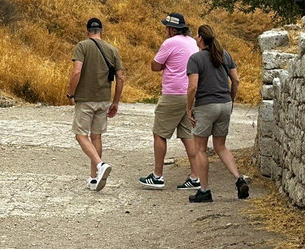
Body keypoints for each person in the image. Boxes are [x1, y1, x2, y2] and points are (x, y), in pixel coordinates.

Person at [185, 23, 249, 203]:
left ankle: (204, 190)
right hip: (225, 104)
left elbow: (193, 87)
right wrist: (231, 99)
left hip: (206, 106)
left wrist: (189, 108)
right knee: (221, 146)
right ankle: (238, 179)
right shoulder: (225, 55)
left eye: (197, 36)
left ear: (200, 38)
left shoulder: (195, 59)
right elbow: (235, 80)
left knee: (200, 149)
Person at [139, 13, 203, 191]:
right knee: (187, 136)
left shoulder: (170, 43)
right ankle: (195, 177)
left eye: (167, 27)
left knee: (159, 133)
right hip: (189, 93)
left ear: (172, 29)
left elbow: (155, 65)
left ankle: (157, 176)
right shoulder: (192, 42)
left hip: (173, 93)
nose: (166, 30)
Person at [66, 17, 125, 191]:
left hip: (85, 99)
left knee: (80, 135)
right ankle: (94, 178)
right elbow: (120, 77)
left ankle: (100, 165)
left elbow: (76, 72)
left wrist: (71, 93)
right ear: (101, 30)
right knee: (96, 136)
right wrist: (115, 102)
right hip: (104, 99)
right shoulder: (112, 50)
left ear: (87, 31)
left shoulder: (82, 46)